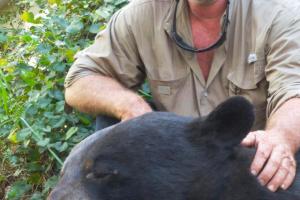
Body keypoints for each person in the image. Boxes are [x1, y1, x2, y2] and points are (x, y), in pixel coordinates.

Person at [64, 0, 300, 193]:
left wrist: (282, 137)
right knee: (111, 125)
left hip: (247, 159)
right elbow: (81, 78)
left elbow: (295, 90)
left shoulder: (281, 13)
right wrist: (133, 110)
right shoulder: (141, 14)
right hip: (171, 159)